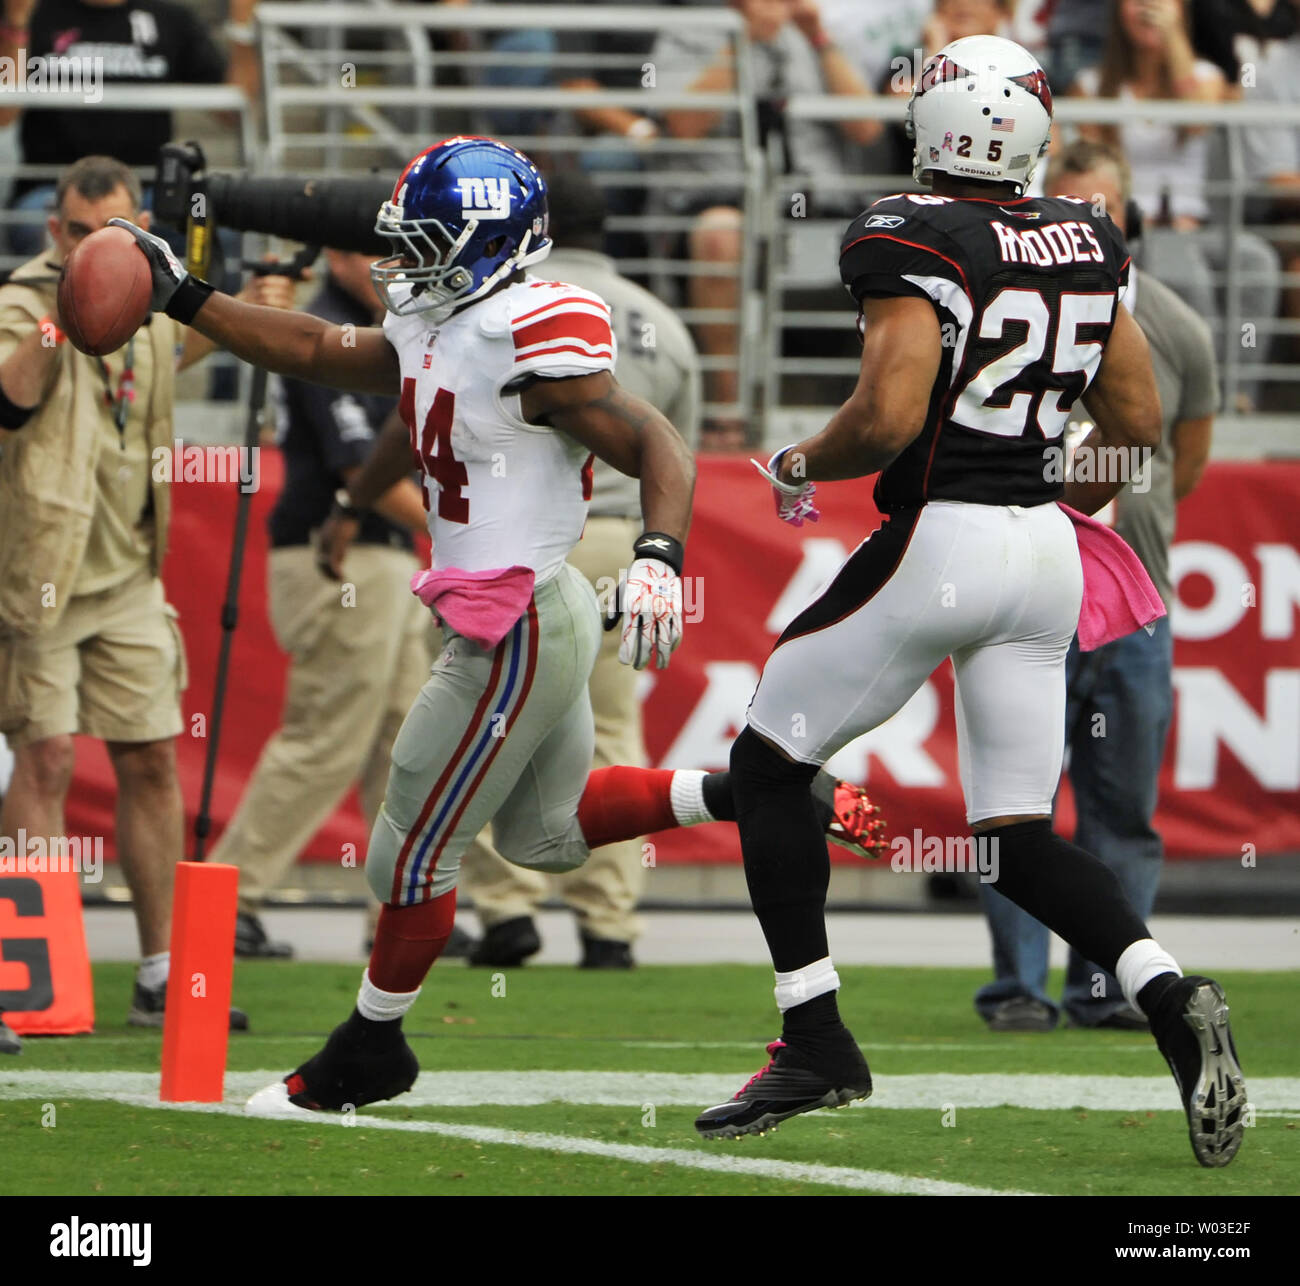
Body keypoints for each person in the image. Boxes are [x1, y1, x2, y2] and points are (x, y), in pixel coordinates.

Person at [109, 135, 885, 1113]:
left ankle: (370, 1047)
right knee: (546, 836)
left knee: (406, 852)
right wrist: (187, 296)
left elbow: (657, 438)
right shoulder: (441, 317)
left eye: (427, 240)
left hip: (518, 619)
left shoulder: (530, 327)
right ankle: (757, 788)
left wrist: (657, 558)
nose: (404, 257)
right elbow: (312, 347)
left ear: (483, 246)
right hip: (515, 612)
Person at [692, 38, 1247, 1170]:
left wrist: (801, 458)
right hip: (1044, 550)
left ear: (928, 123)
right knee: (1016, 834)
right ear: (1035, 133)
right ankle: (1168, 997)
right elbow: (1137, 417)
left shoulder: (910, 229)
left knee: (765, 763)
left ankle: (815, 1034)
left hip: (943, 533)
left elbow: (890, 413)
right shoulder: (1086, 233)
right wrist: (1034, 470)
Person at [0, 155, 293, 1047]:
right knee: (45, 760)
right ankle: (34, 970)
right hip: (39, 570)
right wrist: (63, 311)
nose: (99, 252)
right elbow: (9, 399)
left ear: (141, 235)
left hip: (128, 569)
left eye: (116, 237)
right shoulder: (22, 298)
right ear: (57, 234)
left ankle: (165, 973)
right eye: (83, 236)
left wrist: (267, 293)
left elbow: (200, 337)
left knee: (154, 758)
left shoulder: (151, 300)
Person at [975, 138, 1217, 1032]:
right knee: (1014, 805)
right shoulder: (1006, 312)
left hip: (1130, 603)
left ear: (1130, 222)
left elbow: (1180, 464)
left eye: (1098, 212)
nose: (1082, 227)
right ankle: (1016, 990)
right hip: (1025, 592)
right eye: (1066, 209)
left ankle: (1107, 984)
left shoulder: (1180, 330)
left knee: (1123, 805)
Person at [458, 170, 702, 969]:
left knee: (498, 722)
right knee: (612, 729)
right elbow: (680, 443)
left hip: (533, 536)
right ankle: (609, 921)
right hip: (623, 535)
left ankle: (506, 909)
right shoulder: (660, 322)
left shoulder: (517, 310)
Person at [205, 249, 472, 962]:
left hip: (382, 556)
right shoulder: (329, 327)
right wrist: (467, 536)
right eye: (364, 250)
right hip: (340, 556)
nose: (385, 264)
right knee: (328, 732)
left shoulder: (389, 326)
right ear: (335, 257)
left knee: (402, 741)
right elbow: (365, 474)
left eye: (394, 250)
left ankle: (398, 905)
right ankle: (226, 899)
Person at [652, 0, 882, 447]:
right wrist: (744, 39)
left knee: (892, 237)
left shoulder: (817, 36)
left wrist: (818, 38)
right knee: (721, 236)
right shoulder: (690, 29)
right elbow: (682, 122)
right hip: (722, 192)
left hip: (819, 197)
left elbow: (866, 128)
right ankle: (727, 416)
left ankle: (873, 421)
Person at [1071, 0, 1281, 409]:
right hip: (1134, 228)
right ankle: (1208, 401)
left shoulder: (1207, 77)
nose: (1148, 7)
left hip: (1199, 226)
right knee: (1188, 276)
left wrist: (1171, 39)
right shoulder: (1092, 83)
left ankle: (1241, 393)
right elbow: (1100, 166)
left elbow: (1196, 120)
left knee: (1259, 263)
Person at [6, 0, 260, 255]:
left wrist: (242, 27)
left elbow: (233, 111)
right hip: (52, 189)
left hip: (149, 192)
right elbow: (4, 114)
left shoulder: (169, 17)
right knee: (33, 226)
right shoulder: (33, 13)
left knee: (219, 227)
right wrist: (16, 23)